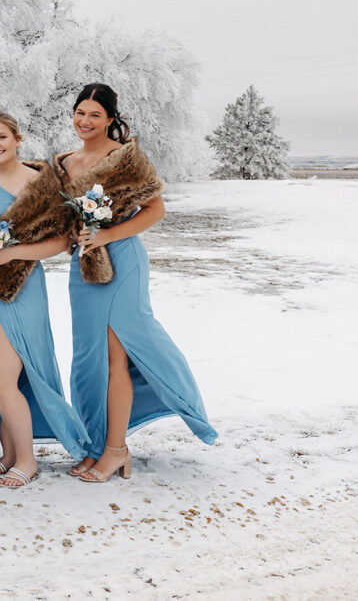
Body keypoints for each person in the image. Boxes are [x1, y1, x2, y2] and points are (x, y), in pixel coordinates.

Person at [54, 83, 217, 482]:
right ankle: (96, 445)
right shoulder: (64, 162)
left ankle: (115, 450)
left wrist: (108, 235)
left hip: (122, 263)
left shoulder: (125, 158)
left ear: (111, 118)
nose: (85, 120)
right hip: (84, 267)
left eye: (95, 114)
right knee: (87, 358)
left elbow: (156, 209)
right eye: (80, 112)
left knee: (115, 358)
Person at [0, 112, 89, 488]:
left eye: (2, 137)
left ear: (19, 138)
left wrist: (14, 253)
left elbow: (63, 240)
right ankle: (9, 454)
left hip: (20, 289)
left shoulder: (38, 182)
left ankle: (28, 460)